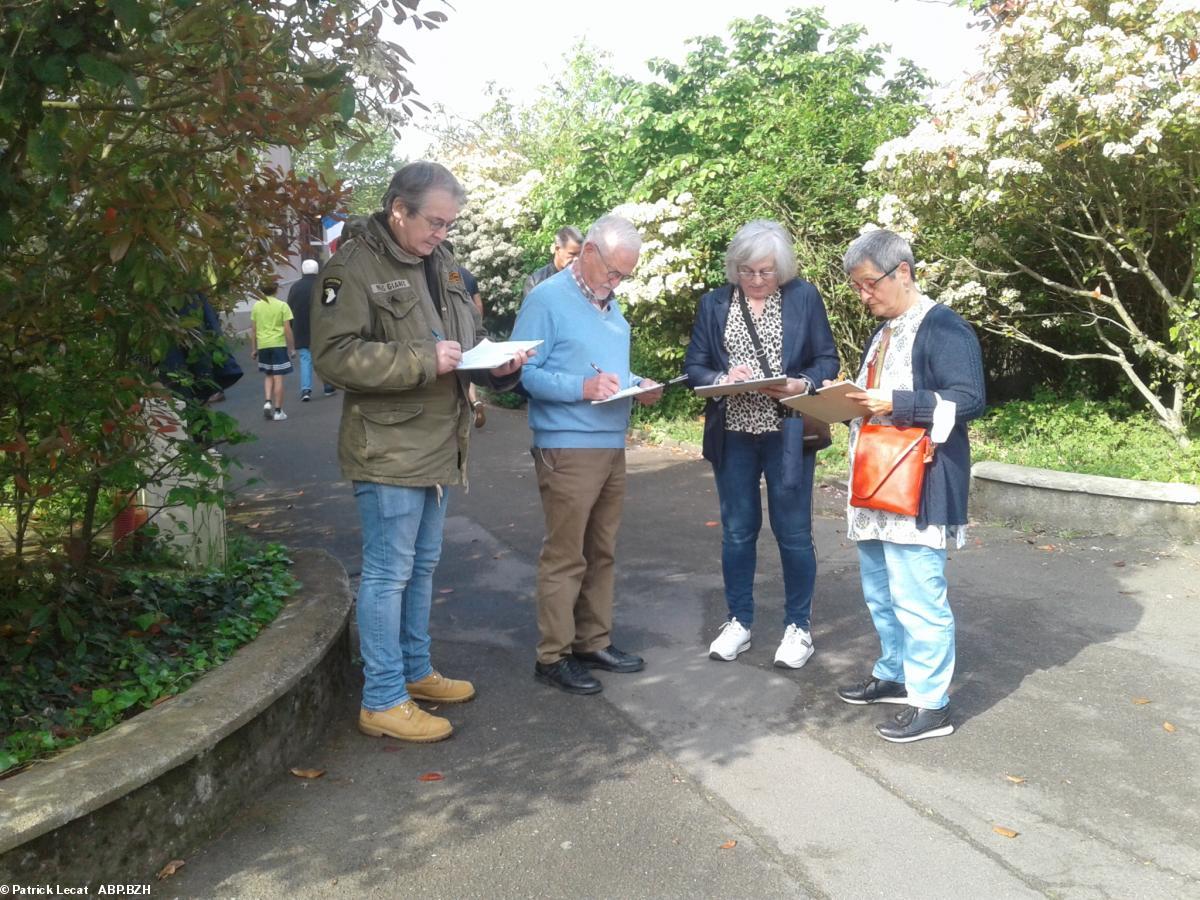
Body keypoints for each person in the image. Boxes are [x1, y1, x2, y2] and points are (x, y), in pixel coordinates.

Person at [311, 161, 531, 743]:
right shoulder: (352, 267)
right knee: (388, 572)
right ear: (398, 210)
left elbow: (460, 343)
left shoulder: (442, 263)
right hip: (388, 447)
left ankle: (413, 670)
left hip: (438, 442)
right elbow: (333, 356)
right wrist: (419, 361)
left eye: (449, 222)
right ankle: (382, 699)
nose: (442, 232)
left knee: (422, 566)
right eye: (434, 221)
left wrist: (498, 365)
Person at [836, 228, 985, 743]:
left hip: (918, 484)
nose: (863, 295)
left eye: (868, 284)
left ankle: (931, 705)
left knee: (919, 597)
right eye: (856, 287)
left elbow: (968, 398)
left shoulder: (943, 326)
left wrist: (896, 404)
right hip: (878, 482)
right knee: (881, 591)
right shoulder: (885, 330)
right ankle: (895, 672)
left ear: (903, 272)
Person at [510, 214, 663, 695]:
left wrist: (638, 385)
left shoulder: (610, 305)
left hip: (610, 443)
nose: (617, 283)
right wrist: (583, 388)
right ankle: (551, 656)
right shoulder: (546, 299)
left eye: (625, 276)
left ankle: (591, 642)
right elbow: (523, 376)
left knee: (602, 551)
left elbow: (609, 371)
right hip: (567, 445)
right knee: (565, 555)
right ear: (590, 252)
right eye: (613, 272)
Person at [684, 220, 839, 669]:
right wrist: (720, 378)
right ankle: (739, 621)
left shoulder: (803, 297)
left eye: (766, 272)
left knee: (792, 532)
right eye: (747, 271)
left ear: (782, 269)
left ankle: (798, 628)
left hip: (788, 432)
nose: (755, 280)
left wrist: (799, 382)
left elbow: (826, 357)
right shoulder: (714, 303)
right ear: (735, 268)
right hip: (733, 431)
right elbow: (695, 365)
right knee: (737, 531)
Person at [287, 259, 335, 401]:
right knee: (323, 357)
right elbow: (331, 308)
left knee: (305, 359)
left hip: (300, 329)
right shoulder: (324, 285)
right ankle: (328, 386)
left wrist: (292, 325)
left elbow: (289, 309)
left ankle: (306, 390)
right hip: (321, 328)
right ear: (317, 270)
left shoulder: (295, 287)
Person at [249, 278, 296, 421]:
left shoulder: (257, 306)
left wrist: (254, 349)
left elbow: (254, 329)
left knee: (268, 375)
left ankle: (268, 401)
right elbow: (287, 329)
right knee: (278, 377)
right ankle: (278, 411)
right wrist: (292, 348)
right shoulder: (282, 306)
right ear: (276, 289)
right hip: (278, 344)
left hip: (263, 345)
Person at [458, 265, 487, 428]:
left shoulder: (451, 274)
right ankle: (475, 401)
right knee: (469, 364)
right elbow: (478, 303)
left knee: (462, 365)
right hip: (468, 326)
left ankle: (469, 403)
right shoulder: (466, 274)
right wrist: (478, 325)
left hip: (453, 330)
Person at [522, 226, 583, 298]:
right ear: (557, 249)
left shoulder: (585, 279)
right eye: (572, 254)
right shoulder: (536, 282)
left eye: (580, 254)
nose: (576, 259)